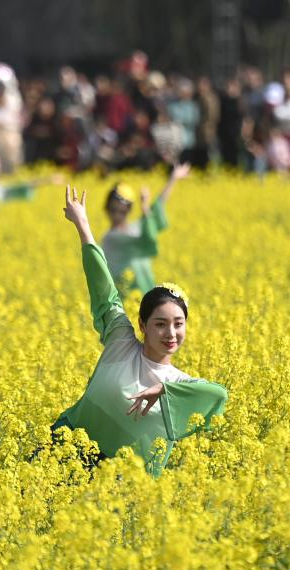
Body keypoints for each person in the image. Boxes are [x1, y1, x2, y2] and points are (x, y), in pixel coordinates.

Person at [54, 186, 228, 477]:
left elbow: (219, 396)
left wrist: (165, 389)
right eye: (160, 324)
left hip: (119, 482)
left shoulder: (180, 384)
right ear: (142, 325)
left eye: (178, 324)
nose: (170, 333)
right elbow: (104, 289)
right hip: (65, 449)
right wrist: (83, 226)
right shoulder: (120, 340)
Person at [101, 163, 190, 295]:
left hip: (145, 295)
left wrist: (173, 178)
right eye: (113, 210)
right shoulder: (110, 238)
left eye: (122, 211)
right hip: (125, 299)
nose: (117, 215)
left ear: (129, 211)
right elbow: (147, 240)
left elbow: (156, 208)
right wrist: (144, 208)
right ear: (106, 210)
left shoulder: (135, 229)